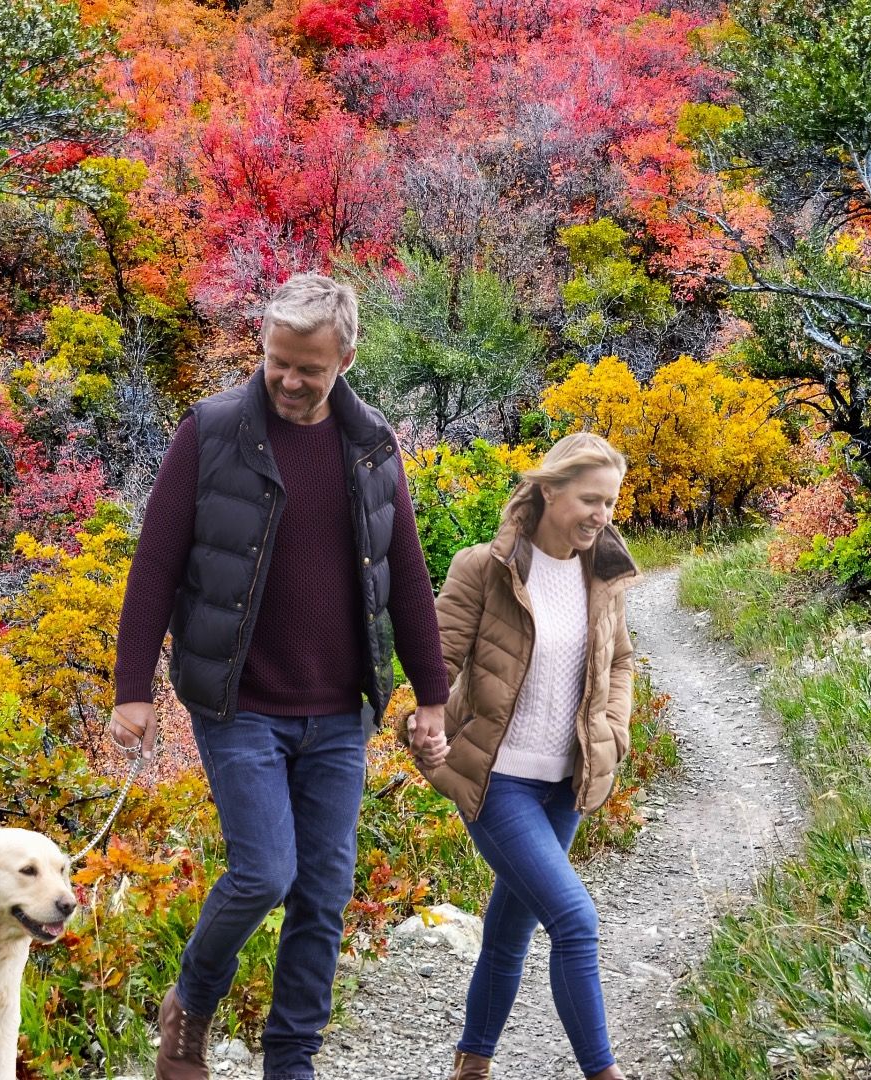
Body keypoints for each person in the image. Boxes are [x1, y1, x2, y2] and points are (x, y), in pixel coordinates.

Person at [108, 273, 452, 1080]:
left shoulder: (370, 445)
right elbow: (155, 564)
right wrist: (132, 689)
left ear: (347, 358)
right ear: (261, 348)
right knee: (265, 870)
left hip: (340, 708)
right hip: (240, 701)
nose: (291, 382)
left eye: (311, 369)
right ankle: (190, 1006)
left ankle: (290, 1061)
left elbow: (406, 575)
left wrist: (431, 695)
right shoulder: (213, 431)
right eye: (277, 362)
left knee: (323, 893)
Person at [402, 432, 638, 1080]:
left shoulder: (605, 573)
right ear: (549, 491)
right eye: (591, 500)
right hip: (497, 780)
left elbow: (619, 662)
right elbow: (438, 661)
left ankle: (471, 1064)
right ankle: (603, 1073)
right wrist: (424, 724)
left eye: (610, 503)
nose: (602, 515)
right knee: (574, 919)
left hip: (565, 783)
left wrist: (613, 731)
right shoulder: (484, 567)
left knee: (509, 928)